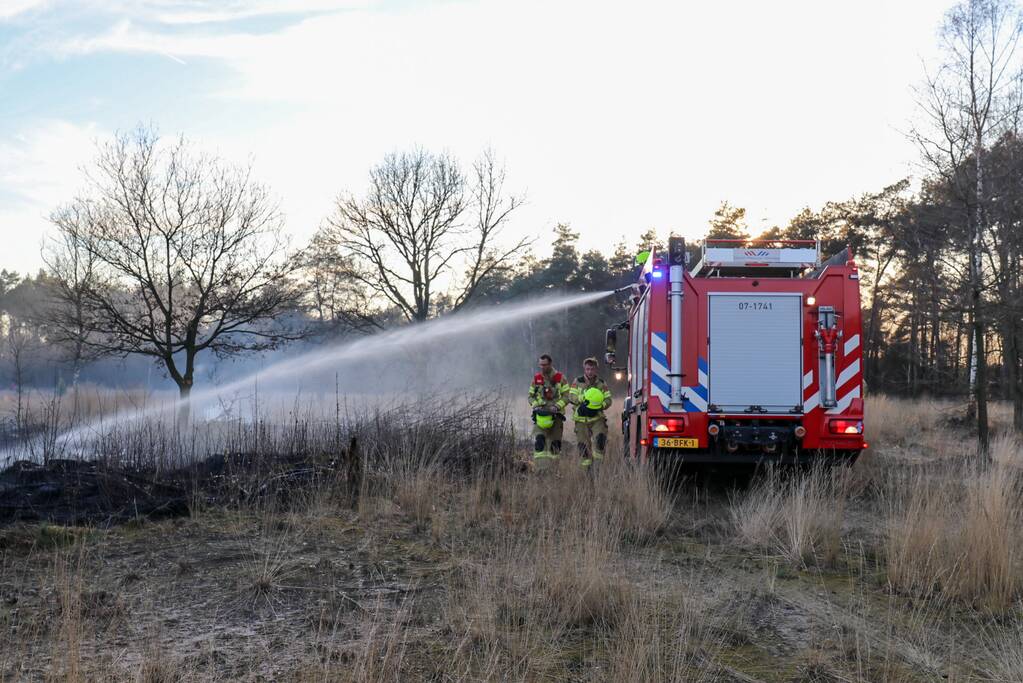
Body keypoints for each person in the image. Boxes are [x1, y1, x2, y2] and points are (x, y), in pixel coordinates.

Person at [569, 357, 613, 468]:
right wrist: (582, 398)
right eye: (588, 369)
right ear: (584, 369)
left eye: (592, 369)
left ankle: (597, 468)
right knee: (583, 447)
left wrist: (600, 406)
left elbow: (608, 400)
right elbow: (571, 396)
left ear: (596, 369)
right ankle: (587, 471)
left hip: (597, 418)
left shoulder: (601, 383)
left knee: (600, 441)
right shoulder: (577, 382)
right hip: (581, 419)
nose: (590, 371)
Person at [528, 354, 569, 469]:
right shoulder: (536, 379)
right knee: (540, 442)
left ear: (550, 364)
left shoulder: (560, 378)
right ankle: (540, 470)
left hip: (556, 417)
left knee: (555, 446)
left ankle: (553, 471)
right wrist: (535, 405)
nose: (542, 367)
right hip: (540, 417)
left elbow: (567, 396)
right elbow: (530, 396)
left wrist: (557, 406)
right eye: (540, 364)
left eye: (545, 365)